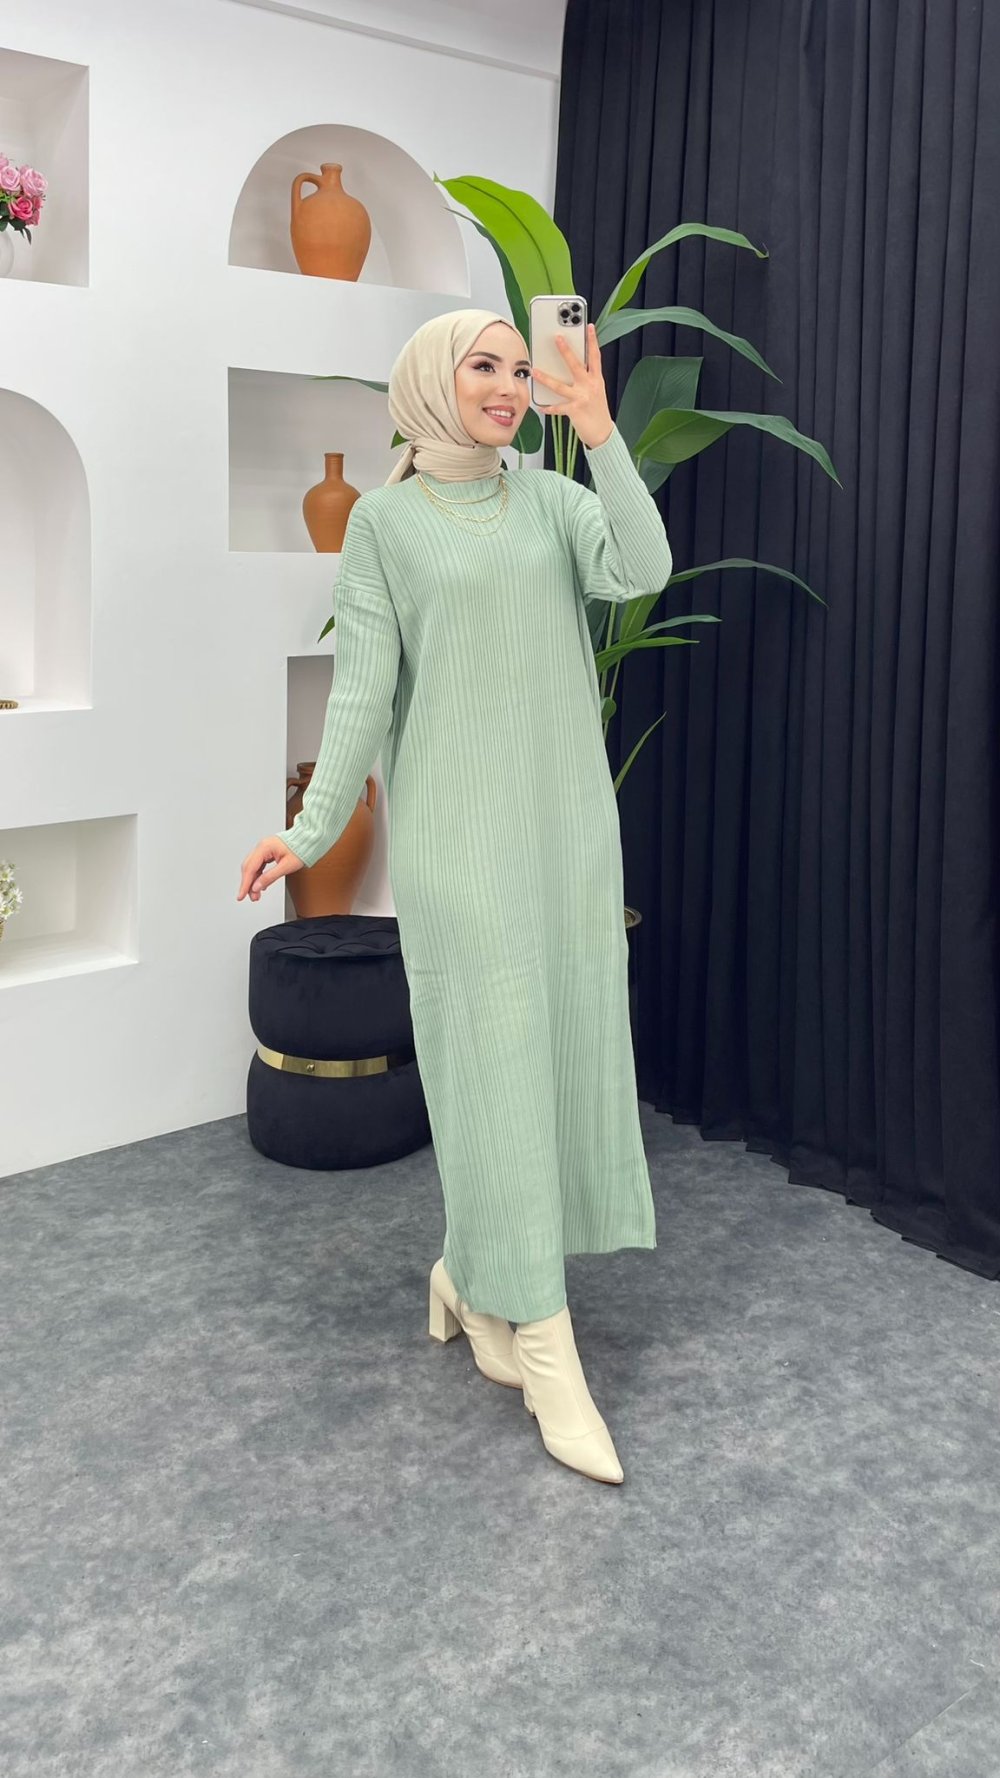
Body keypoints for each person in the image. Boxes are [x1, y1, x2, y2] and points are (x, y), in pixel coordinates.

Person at [237, 308, 673, 1484]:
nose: (506, 384)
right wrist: (306, 829)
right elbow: (361, 694)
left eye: (518, 368)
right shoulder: (383, 524)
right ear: (432, 379)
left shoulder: (553, 502)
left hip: (565, 834)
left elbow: (642, 570)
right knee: (490, 1065)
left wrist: (598, 430)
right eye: (484, 364)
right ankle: (545, 1339)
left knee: (552, 1059)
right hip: (458, 844)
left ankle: (471, 1276)